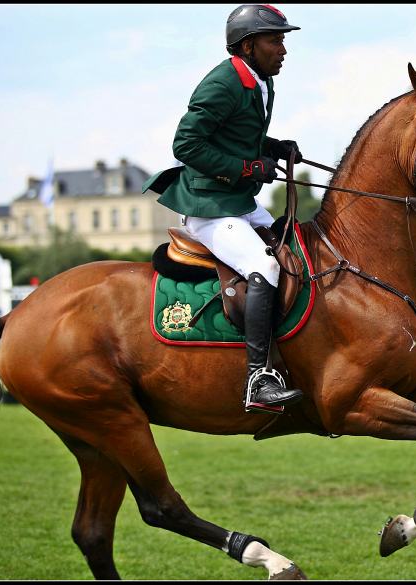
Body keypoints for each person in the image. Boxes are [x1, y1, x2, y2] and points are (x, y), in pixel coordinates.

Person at [143, 4, 304, 414]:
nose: (283, 49)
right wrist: (249, 167)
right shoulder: (223, 83)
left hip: (237, 203)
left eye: (283, 39)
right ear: (249, 45)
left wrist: (274, 148)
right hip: (209, 206)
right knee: (266, 267)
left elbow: (236, 138)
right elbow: (186, 146)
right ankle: (258, 379)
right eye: (276, 40)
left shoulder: (260, 82)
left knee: (297, 247)